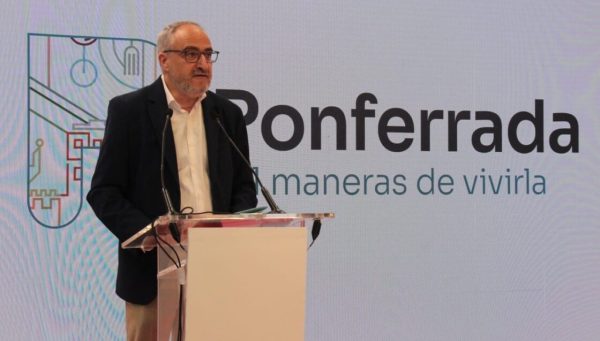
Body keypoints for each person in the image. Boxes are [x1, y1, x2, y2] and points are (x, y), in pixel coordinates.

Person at [87, 21, 257, 340]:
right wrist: (150, 233)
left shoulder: (227, 115)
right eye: (191, 54)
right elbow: (104, 192)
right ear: (164, 60)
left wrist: (230, 229)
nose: (203, 64)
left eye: (208, 55)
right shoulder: (129, 111)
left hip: (216, 266)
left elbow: (244, 187)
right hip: (152, 271)